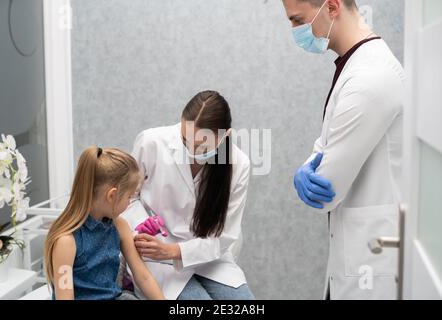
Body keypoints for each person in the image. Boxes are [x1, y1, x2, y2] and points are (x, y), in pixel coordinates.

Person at [282, 0, 405, 299]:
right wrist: (315, 160)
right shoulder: (355, 64)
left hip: (372, 257)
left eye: (298, 21)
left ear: (332, 7)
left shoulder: (369, 77)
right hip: (356, 250)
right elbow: (323, 147)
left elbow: (327, 188)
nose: (296, 31)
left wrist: (313, 166)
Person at [121, 90, 255, 300]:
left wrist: (175, 251)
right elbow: (127, 198)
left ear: (225, 136)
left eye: (201, 146)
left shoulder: (239, 164)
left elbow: (224, 236)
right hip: (156, 253)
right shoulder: (151, 143)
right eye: (185, 140)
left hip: (209, 259)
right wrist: (143, 229)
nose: (191, 151)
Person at [44, 147, 165, 300]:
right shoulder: (66, 241)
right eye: (129, 196)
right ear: (112, 195)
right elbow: (65, 297)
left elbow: (143, 276)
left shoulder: (120, 226)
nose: (129, 202)